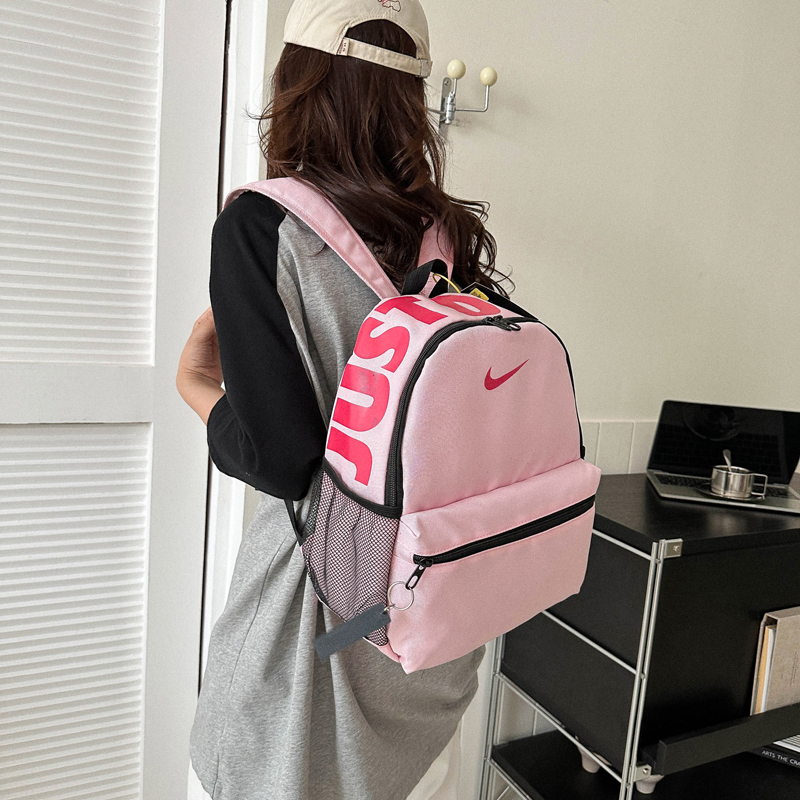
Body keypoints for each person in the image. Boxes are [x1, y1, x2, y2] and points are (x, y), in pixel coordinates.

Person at [176, 1, 511, 798]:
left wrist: (198, 391)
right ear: (412, 95)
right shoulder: (448, 235)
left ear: (297, 79)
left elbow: (288, 461)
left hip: (321, 617)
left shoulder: (261, 227)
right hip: (426, 620)